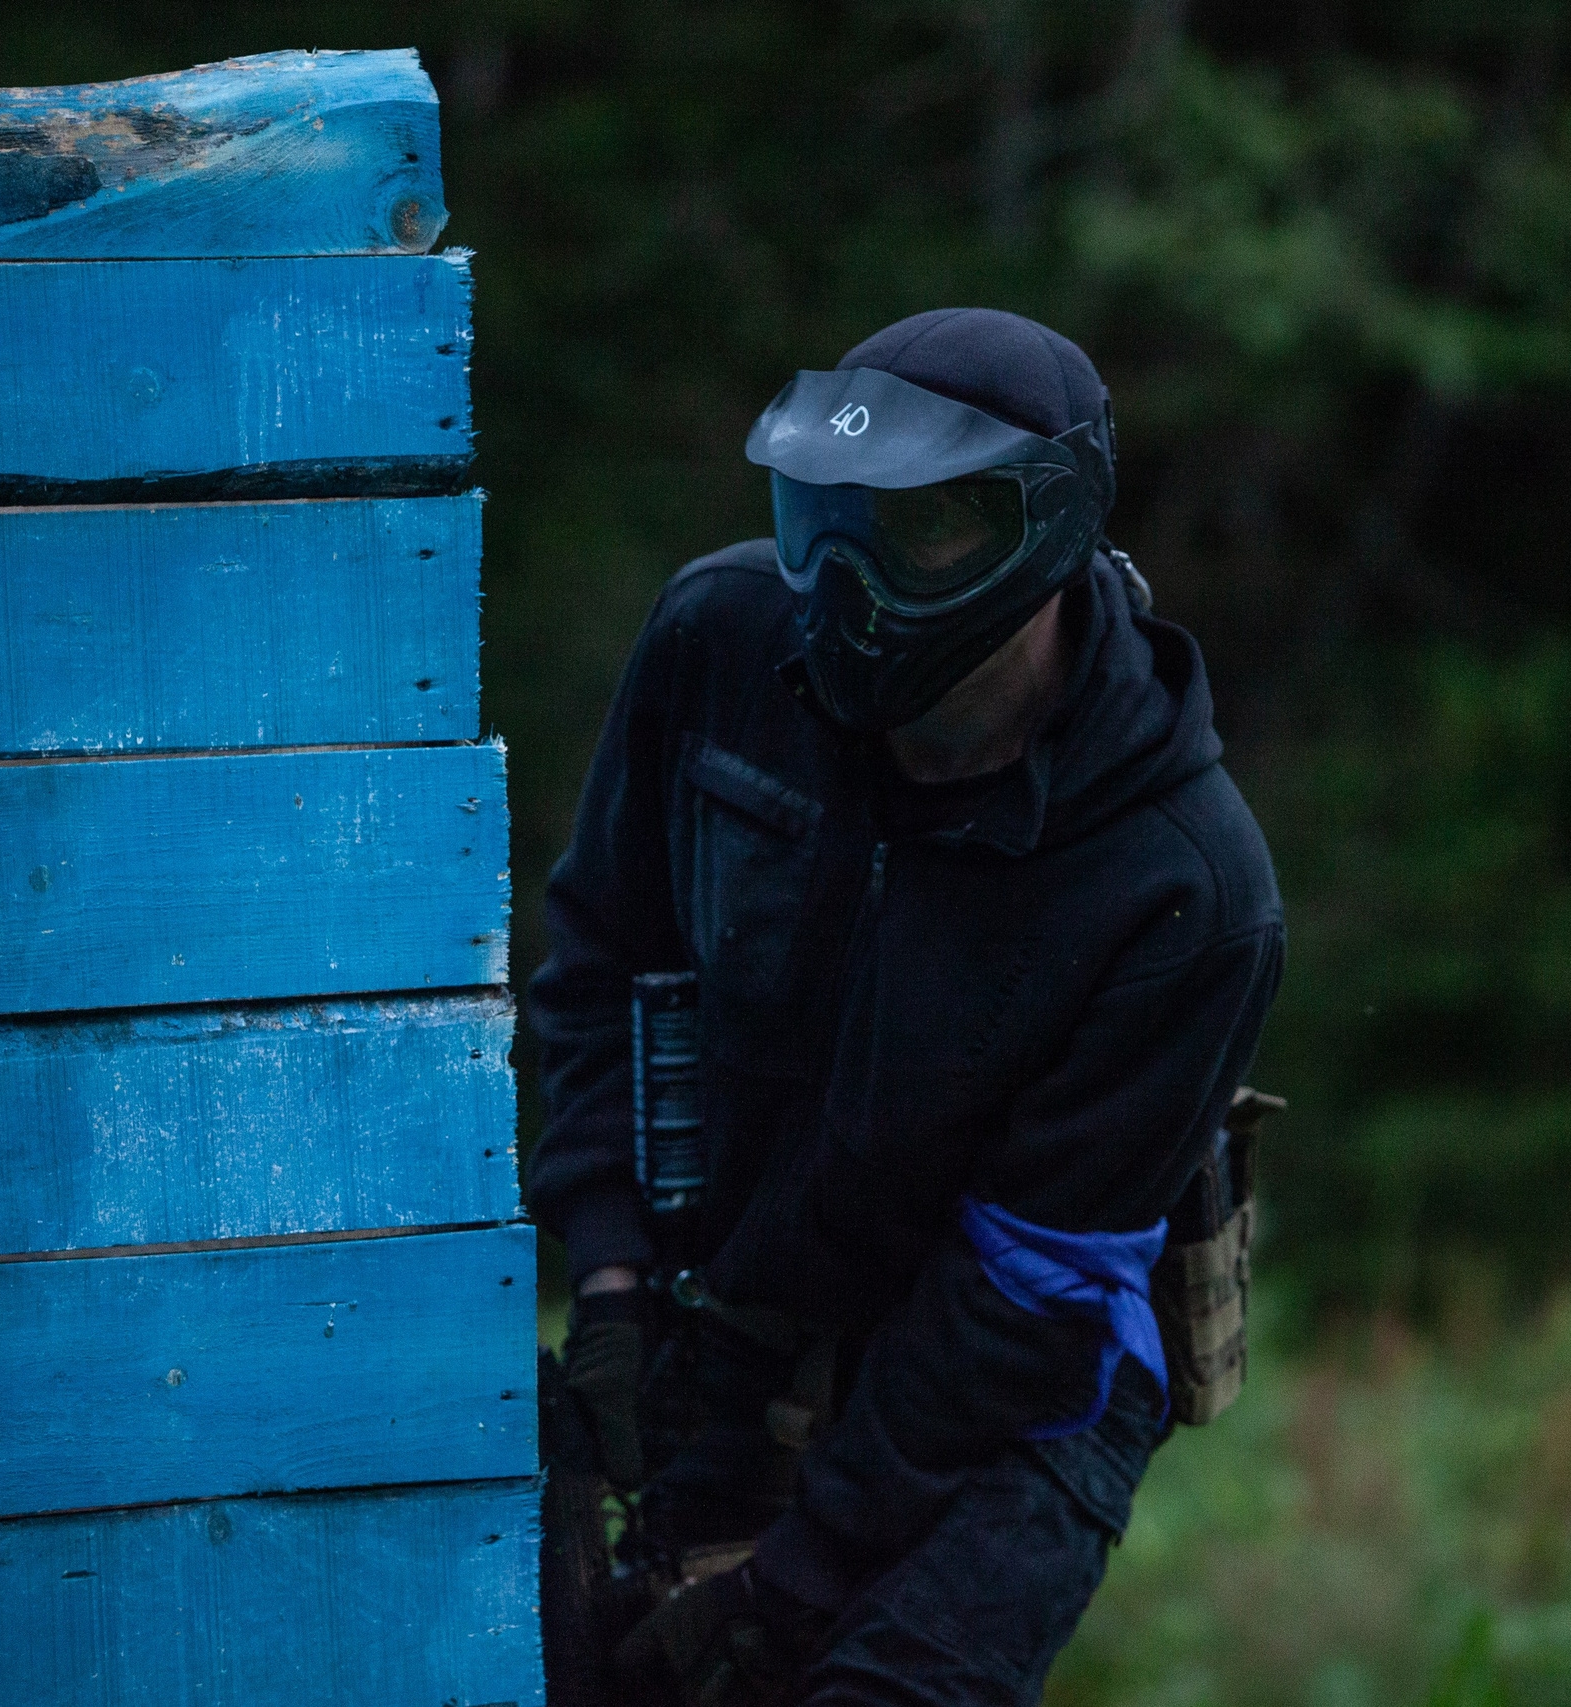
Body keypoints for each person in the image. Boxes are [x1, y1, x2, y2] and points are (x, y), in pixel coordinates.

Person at [525, 307, 1284, 1706]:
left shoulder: (1185, 885)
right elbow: (600, 956)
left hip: (1024, 1385)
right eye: (821, 517)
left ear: (1046, 536)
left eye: (920, 530)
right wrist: (616, 1269)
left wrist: (793, 1578)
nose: (844, 579)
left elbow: (1029, 1292)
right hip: (743, 1287)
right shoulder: (719, 644)